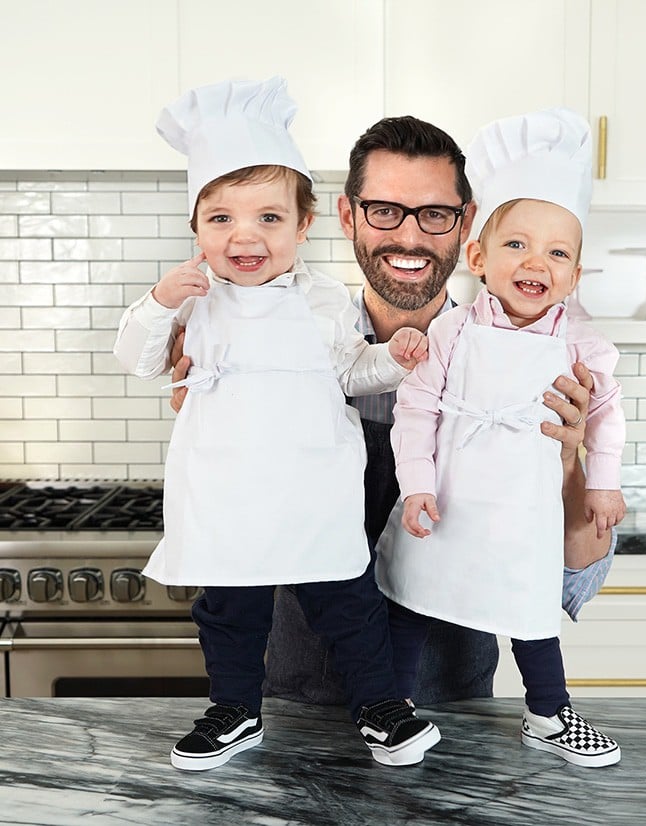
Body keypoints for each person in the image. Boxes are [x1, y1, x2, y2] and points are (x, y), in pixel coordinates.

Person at [169, 115, 618, 708]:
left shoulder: (540, 361)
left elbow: (575, 578)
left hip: (452, 714)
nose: (409, 237)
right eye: (384, 210)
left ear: (467, 226)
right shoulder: (289, 341)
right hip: (293, 708)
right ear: (347, 215)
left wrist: (565, 461)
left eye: (434, 214)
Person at [113, 77, 441, 772]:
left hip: (313, 495)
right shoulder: (192, 302)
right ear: (197, 230)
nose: (245, 236)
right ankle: (235, 710)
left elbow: (353, 374)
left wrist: (398, 359)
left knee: (350, 608)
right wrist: (155, 303)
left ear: (304, 226)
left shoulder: (323, 299)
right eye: (222, 220)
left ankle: (380, 709)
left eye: (268, 218)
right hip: (226, 495)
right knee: (231, 613)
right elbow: (139, 361)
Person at [375, 109, 625, 768]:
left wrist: (598, 480)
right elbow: (416, 408)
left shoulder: (582, 344)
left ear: (575, 275)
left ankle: (547, 712)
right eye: (516, 245)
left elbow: (607, 417)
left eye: (557, 253)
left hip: (522, 516)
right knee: (410, 599)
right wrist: (418, 488)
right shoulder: (452, 332)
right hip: (447, 507)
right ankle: (391, 708)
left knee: (532, 610)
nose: (534, 263)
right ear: (479, 257)